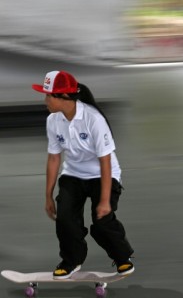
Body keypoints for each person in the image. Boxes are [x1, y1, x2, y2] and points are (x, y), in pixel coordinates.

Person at [31, 70, 135, 279]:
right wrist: (48, 196)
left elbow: (104, 161)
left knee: (102, 221)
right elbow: (54, 158)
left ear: (64, 97)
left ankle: (122, 258)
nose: (45, 100)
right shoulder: (53, 120)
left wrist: (104, 200)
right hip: (74, 174)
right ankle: (72, 260)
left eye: (48, 95)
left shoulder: (93, 119)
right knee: (65, 219)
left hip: (103, 174)